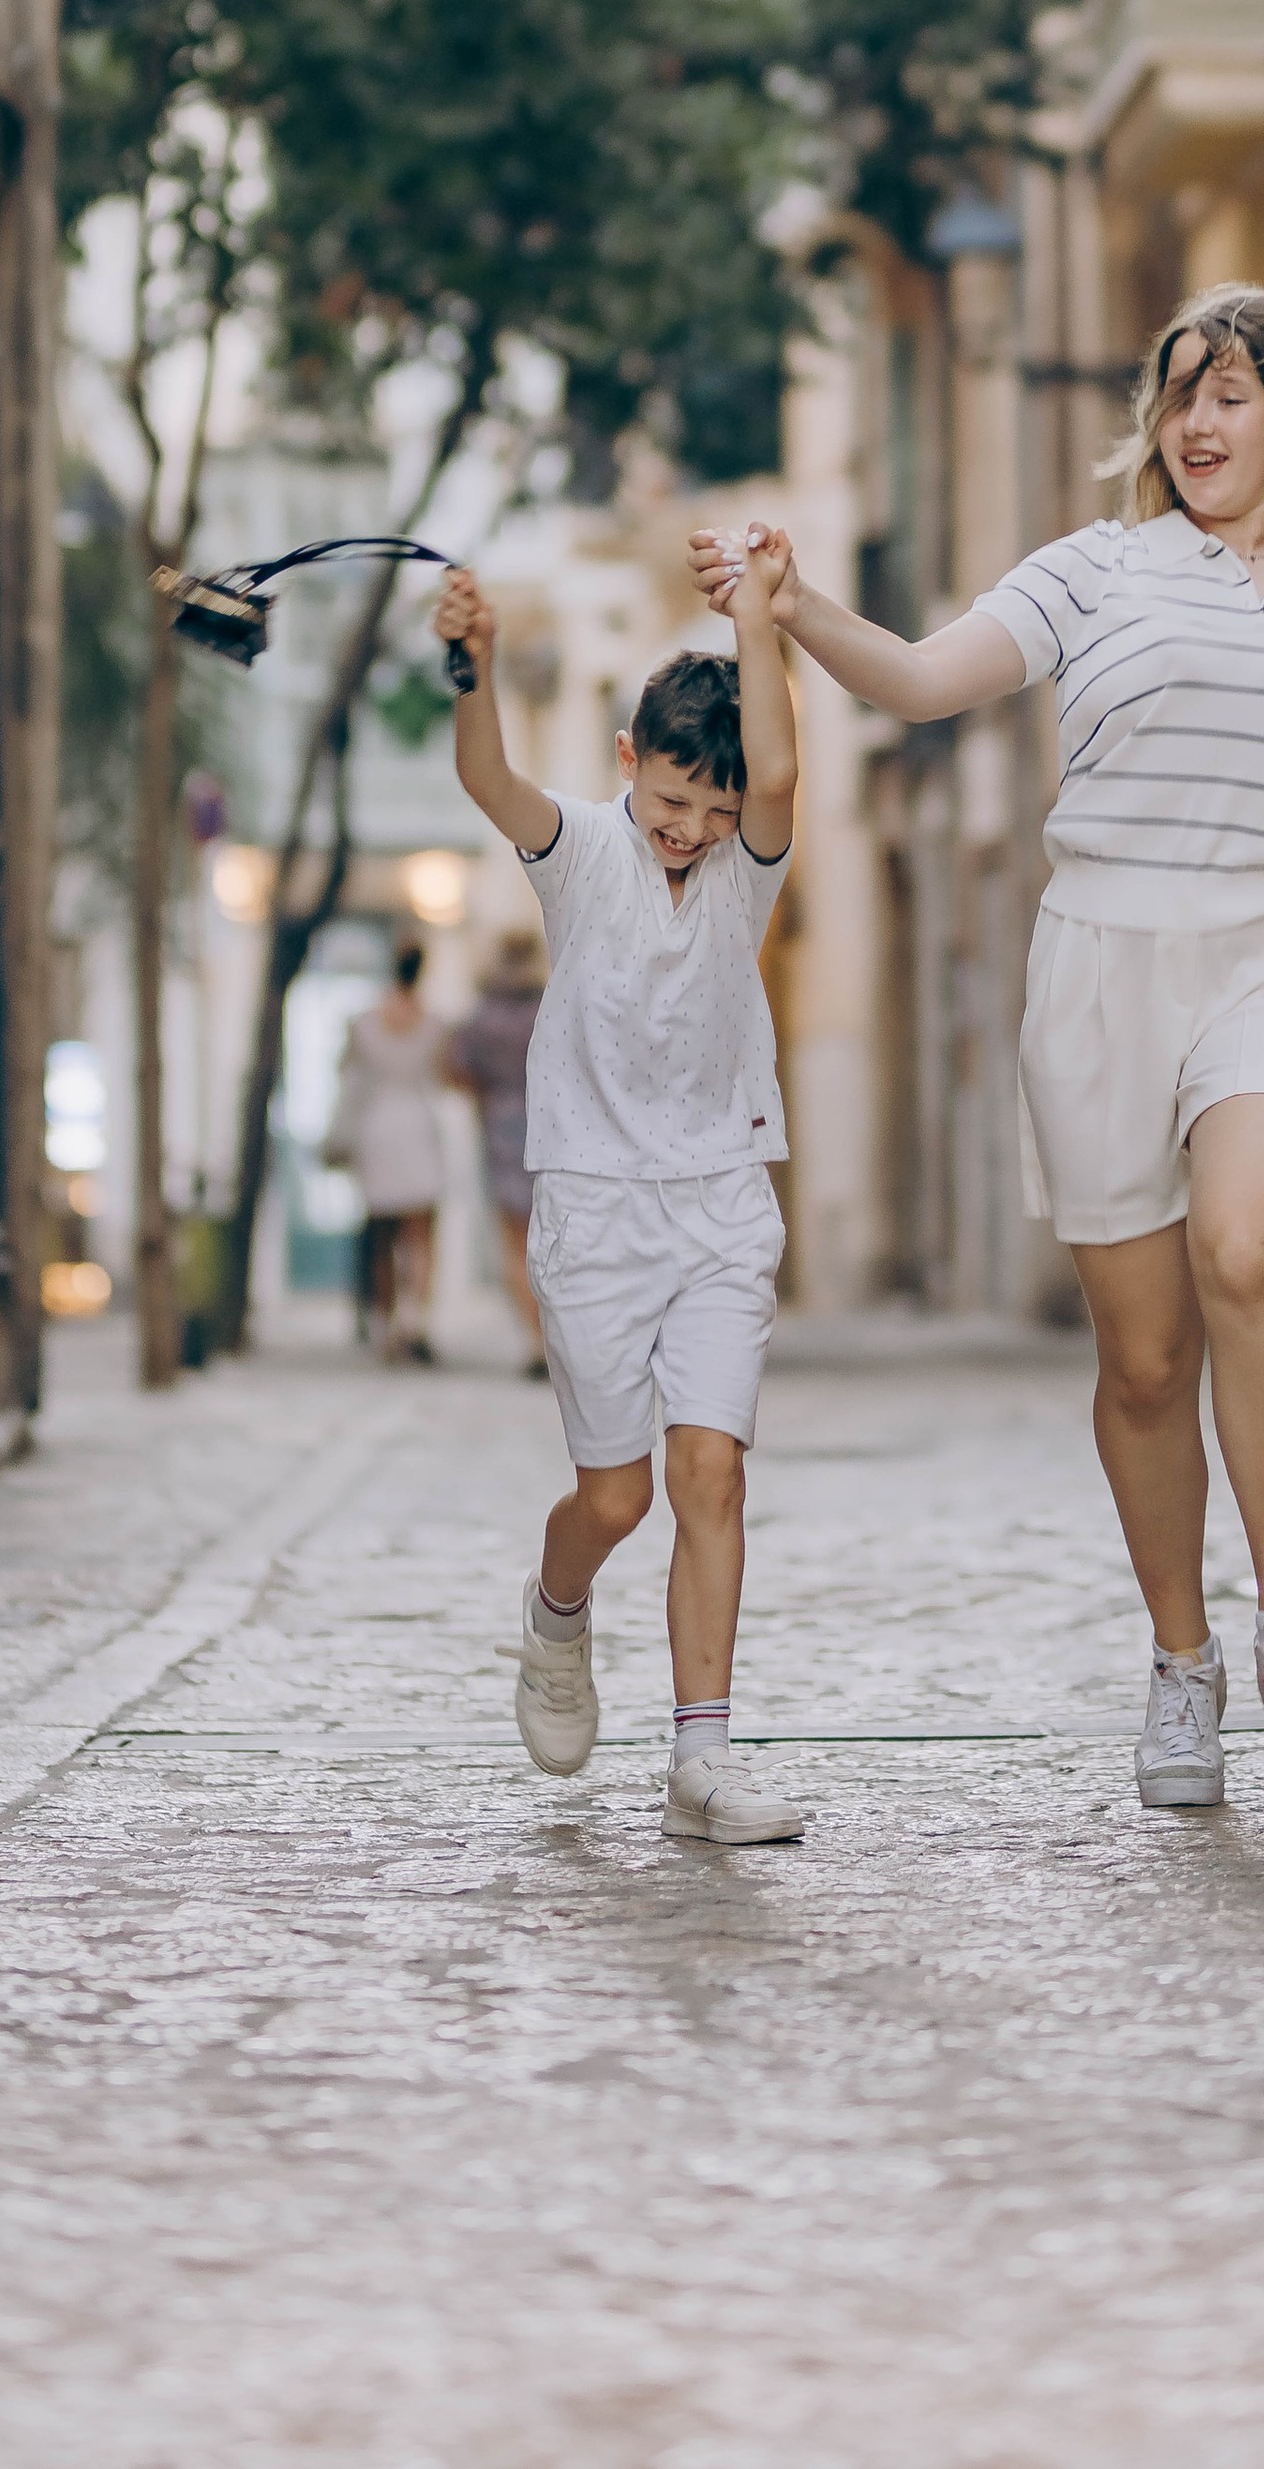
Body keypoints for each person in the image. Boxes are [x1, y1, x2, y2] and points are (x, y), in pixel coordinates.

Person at [690, 282, 1264, 1816]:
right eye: (1179, 397)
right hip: (1101, 964)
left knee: (1248, 1251)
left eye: (1228, 393)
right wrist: (790, 604)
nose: (1196, 424)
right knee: (1147, 1360)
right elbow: (914, 679)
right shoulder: (1095, 572)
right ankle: (1184, 1663)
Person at [435, 548, 805, 1849]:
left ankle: (700, 1761)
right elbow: (487, 778)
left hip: (719, 1202)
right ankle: (556, 1612)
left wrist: (758, 620)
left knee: (711, 1473)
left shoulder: (749, 868)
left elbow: (785, 768)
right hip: (592, 1208)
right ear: (627, 757)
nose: (689, 826)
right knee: (619, 1497)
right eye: (670, 795)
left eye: (714, 805)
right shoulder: (581, 849)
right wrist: (471, 664)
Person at [330, 944, 452, 1365]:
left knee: (382, 1235)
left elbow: (345, 1073)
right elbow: (443, 1075)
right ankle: (415, 1322)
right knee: (421, 1236)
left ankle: (386, 1325)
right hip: (417, 1126)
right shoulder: (434, 1024)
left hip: (377, 1129)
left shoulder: (363, 1023)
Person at [448, 925, 551, 1372]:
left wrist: (489, 1098)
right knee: (555, 1239)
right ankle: (553, 1335)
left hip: (500, 1127)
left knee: (514, 1241)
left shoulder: (482, 1014)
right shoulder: (551, 1007)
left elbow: (457, 1069)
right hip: (554, 1130)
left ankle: (533, 1340)